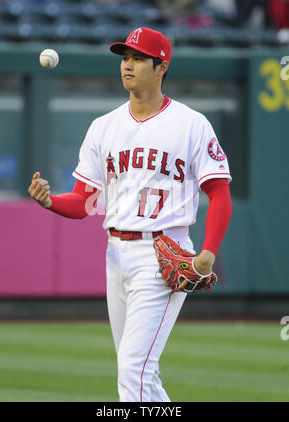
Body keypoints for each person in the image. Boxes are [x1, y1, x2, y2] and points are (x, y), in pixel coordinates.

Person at [28, 27, 232, 402]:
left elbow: (219, 193)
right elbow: (84, 200)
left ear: (161, 67)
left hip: (163, 253)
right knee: (140, 373)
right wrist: (50, 201)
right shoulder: (103, 127)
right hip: (116, 255)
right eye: (125, 58)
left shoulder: (191, 124)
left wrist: (208, 252)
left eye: (138, 58)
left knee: (133, 370)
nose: (128, 65)